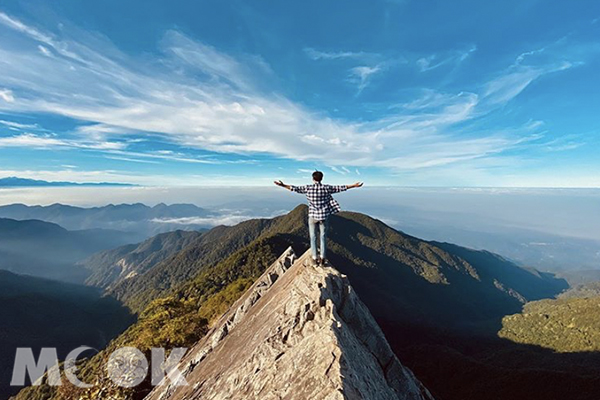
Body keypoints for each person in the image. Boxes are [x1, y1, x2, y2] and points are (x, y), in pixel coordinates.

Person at [274, 171, 363, 266]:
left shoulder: (308, 188)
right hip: (324, 216)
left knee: (313, 237)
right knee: (323, 237)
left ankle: (314, 257)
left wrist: (282, 185)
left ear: (313, 178)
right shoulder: (326, 188)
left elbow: (294, 188)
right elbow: (340, 188)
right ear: (321, 178)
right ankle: (323, 258)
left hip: (312, 216)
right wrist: (354, 185)